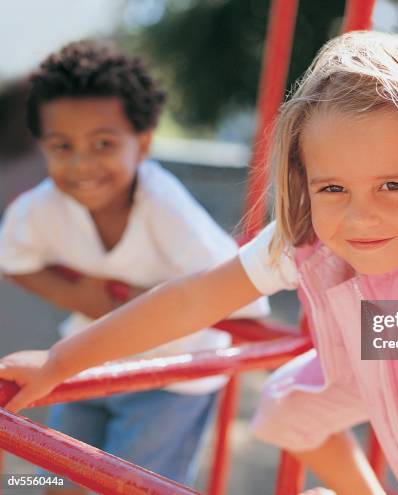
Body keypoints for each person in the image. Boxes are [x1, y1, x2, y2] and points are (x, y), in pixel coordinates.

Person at [0, 32, 398, 495]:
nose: (358, 216)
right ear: (304, 180)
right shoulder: (307, 231)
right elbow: (193, 299)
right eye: (332, 188)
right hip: (386, 340)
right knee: (288, 408)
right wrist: (63, 360)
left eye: (393, 186)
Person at [0, 40, 269, 492]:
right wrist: (87, 297)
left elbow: (242, 296)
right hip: (86, 358)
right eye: (62, 146)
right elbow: (13, 260)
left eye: (103, 143)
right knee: (57, 478)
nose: (82, 163)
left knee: (132, 484)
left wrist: (139, 304)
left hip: (170, 378)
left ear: (142, 143)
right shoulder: (43, 207)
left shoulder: (165, 209)